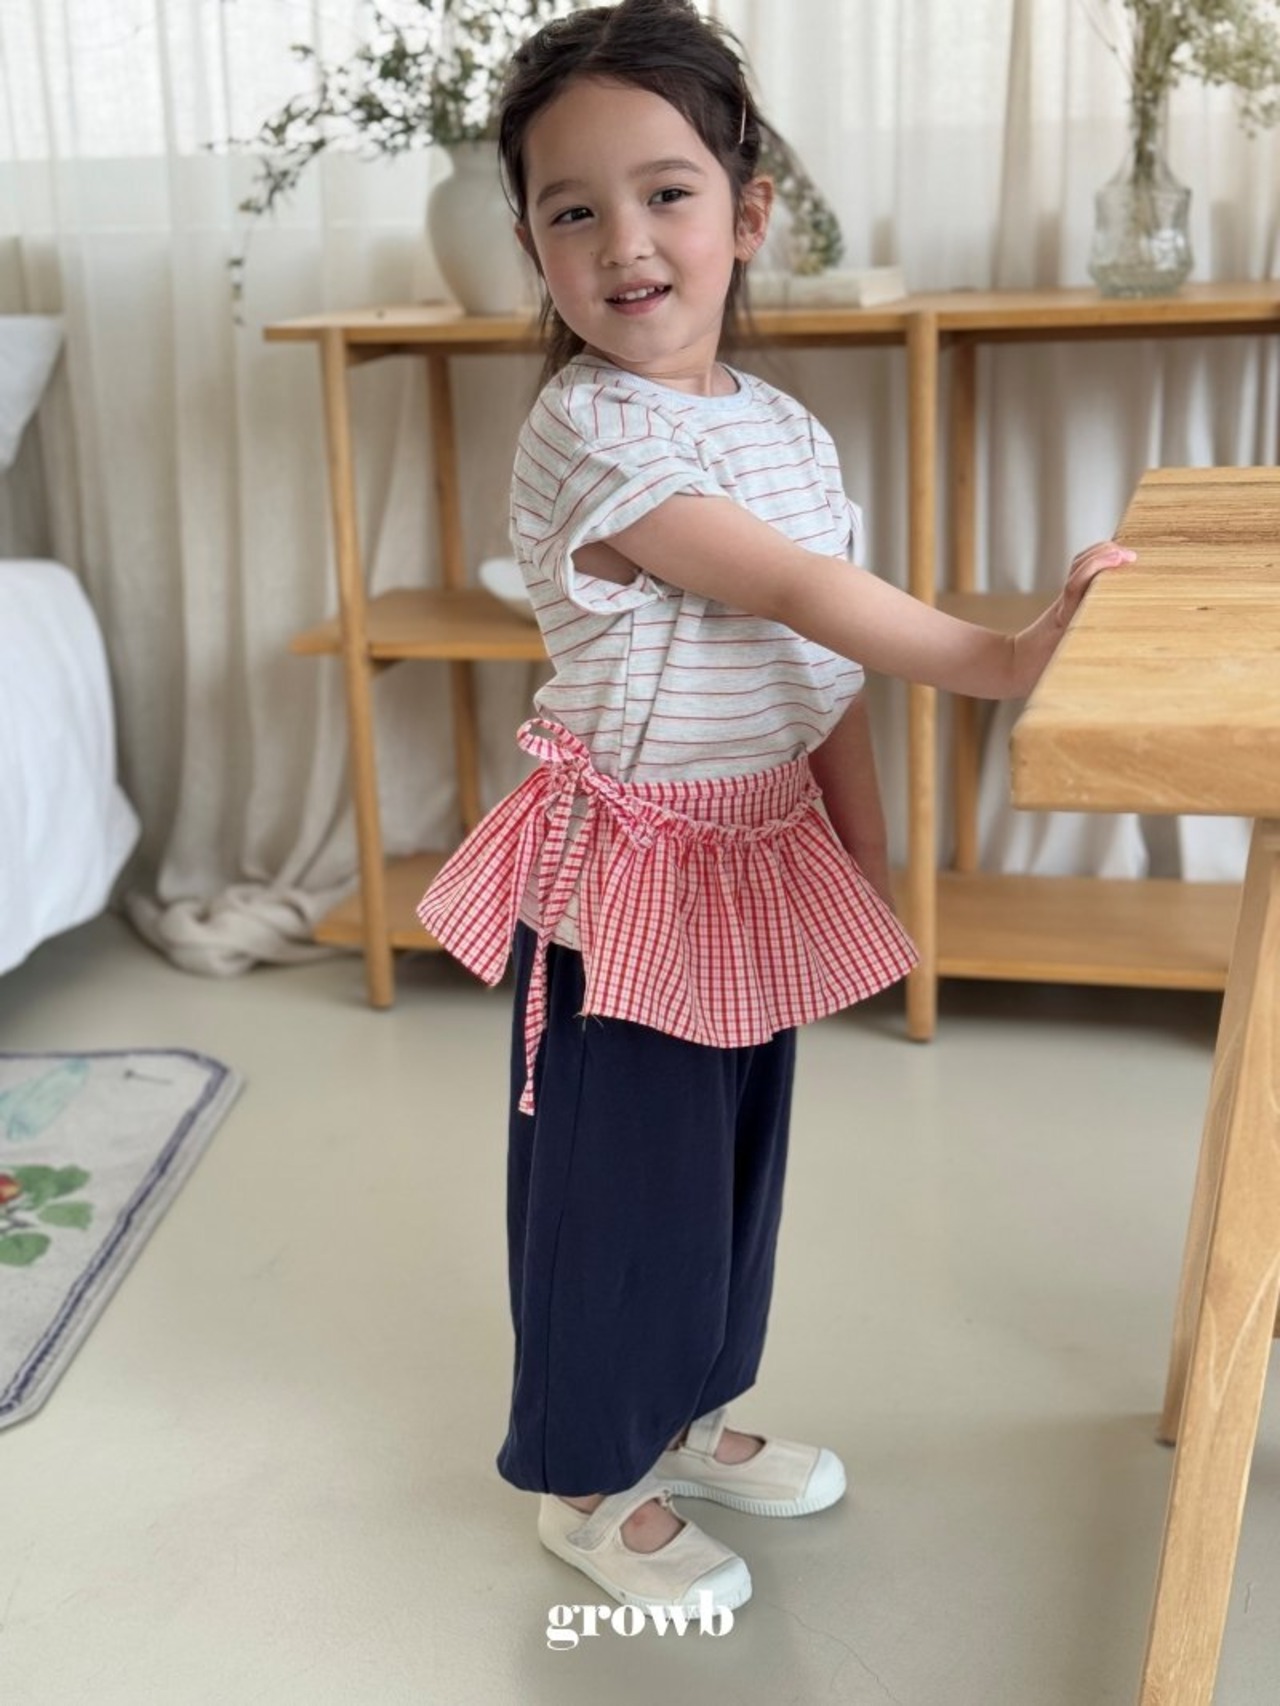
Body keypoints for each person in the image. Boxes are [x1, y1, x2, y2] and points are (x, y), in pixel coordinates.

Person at [418, 0, 1134, 1617]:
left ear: (747, 217)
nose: (624, 241)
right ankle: (588, 1480)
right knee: (619, 1193)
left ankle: (684, 1415)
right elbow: (800, 587)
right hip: (628, 883)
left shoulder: (786, 431)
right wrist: (1005, 656)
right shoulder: (588, 428)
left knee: (733, 1175)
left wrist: (859, 854)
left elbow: (821, 667)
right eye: (572, 210)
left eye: (666, 193)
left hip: (748, 864)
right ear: (532, 247)